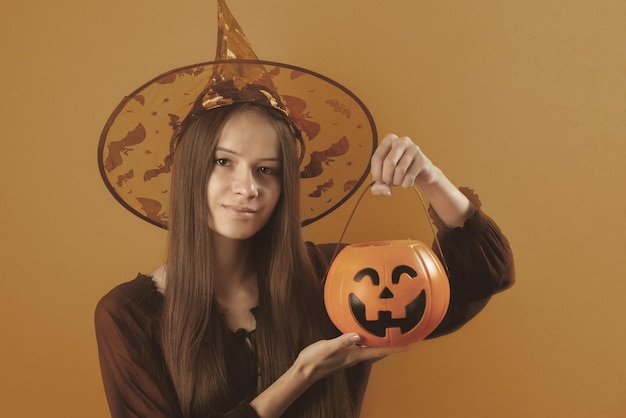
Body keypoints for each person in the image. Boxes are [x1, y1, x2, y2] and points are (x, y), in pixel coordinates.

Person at [95, 99, 514, 417]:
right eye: (223, 162)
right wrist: (302, 375)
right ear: (189, 172)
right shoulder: (130, 315)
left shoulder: (337, 279)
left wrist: (429, 177)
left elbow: (481, 277)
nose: (247, 188)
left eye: (267, 170)